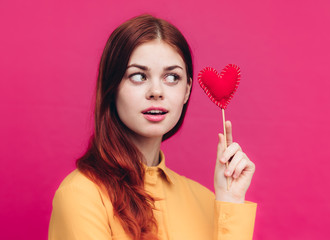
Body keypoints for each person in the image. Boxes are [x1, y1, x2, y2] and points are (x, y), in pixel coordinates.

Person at [49, 14, 257, 240]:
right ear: (112, 85)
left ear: (187, 90)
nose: (156, 91)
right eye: (138, 76)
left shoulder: (208, 201)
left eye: (171, 77)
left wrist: (230, 202)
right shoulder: (81, 195)